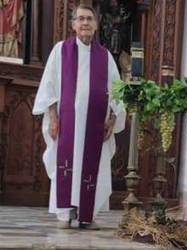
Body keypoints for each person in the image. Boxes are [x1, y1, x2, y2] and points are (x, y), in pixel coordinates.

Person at [32, 5, 126, 230]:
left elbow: (118, 90)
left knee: (91, 168)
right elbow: (50, 85)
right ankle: (65, 214)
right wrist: (53, 117)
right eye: (81, 19)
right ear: (73, 24)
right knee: (65, 167)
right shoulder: (60, 50)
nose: (85, 23)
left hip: (94, 126)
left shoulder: (105, 57)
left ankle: (87, 216)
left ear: (96, 24)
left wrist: (112, 120)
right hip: (67, 124)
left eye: (89, 19)